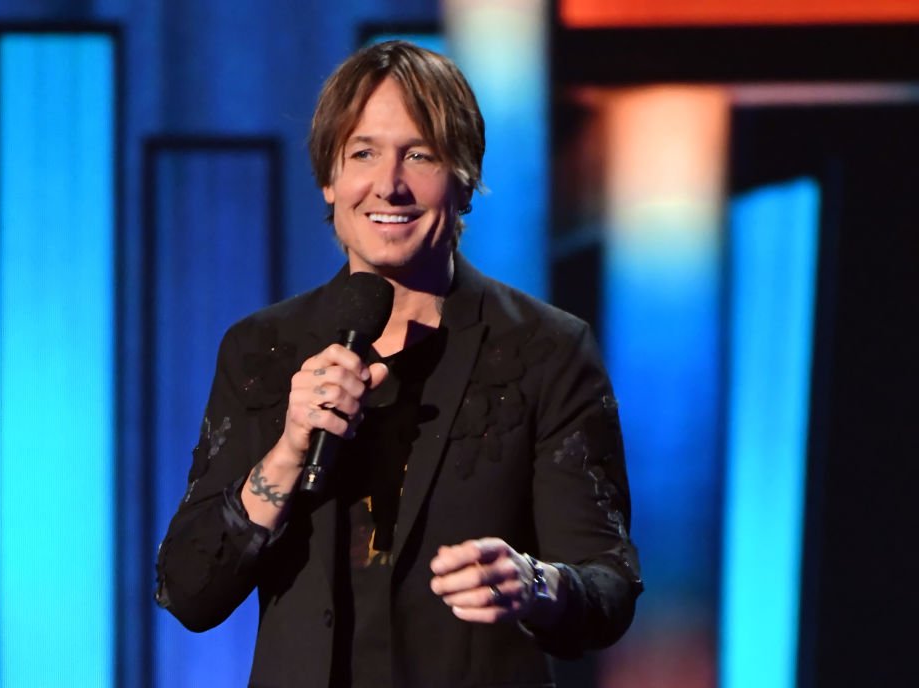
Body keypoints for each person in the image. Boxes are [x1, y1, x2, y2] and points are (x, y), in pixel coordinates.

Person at [155, 40, 642, 688]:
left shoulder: (546, 350)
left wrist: (533, 585)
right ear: (329, 180)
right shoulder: (261, 350)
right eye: (363, 153)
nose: (389, 184)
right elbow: (188, 589)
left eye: (420, 154)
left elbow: (607, 583)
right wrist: (287, 450)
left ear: (463, 180)